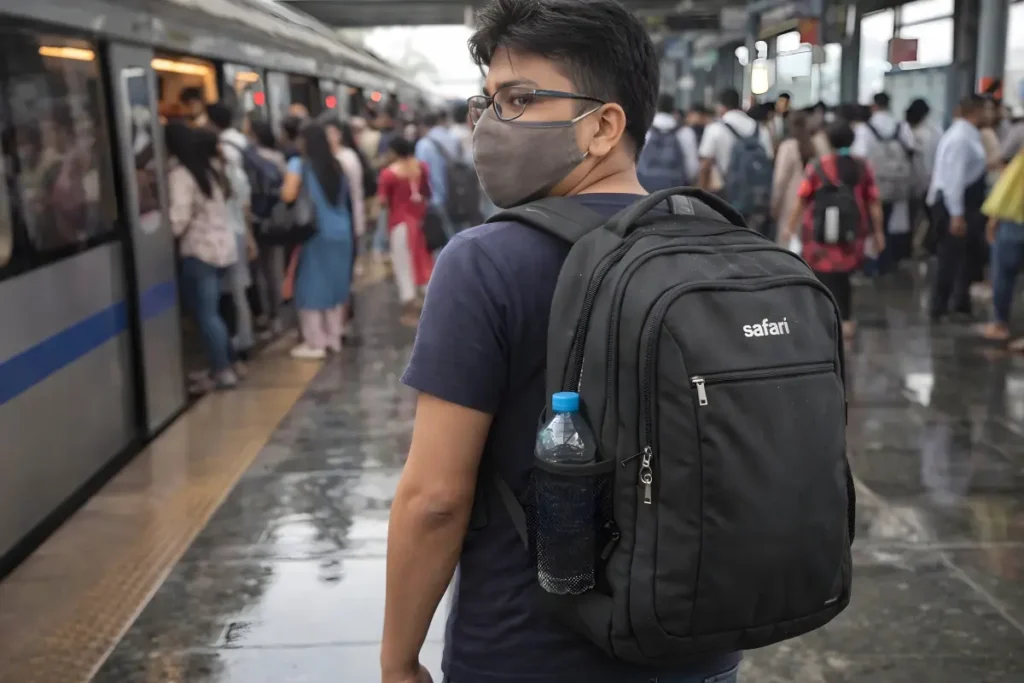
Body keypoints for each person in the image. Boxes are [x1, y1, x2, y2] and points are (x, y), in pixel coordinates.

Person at [381, 1, 741, 682]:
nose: (490, 125)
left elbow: (434, 497)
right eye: (486, 102)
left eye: (520, 98)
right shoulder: (718, 248)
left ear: (605, 125)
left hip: (528, 652)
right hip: (700, 647)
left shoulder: (484, 262)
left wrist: (398, 658)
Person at [781, 121, 885, 339]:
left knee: (821, 275)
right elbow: (873, 201)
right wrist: (878, 232)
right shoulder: (861, 166)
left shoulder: (818, 166)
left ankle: (822, 318)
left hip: (818, 233)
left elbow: (802, 199)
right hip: (851, 231)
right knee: (843, 276)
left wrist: (789, 228)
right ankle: (845, 320)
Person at [164, 121, 238, 392]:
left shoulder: (182, 175)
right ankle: (228, 362)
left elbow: (179, 218)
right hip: (222, 249)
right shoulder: (211, 171)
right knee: (214, 312)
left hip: (200, 251)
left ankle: (222, 370)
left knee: (206, 314)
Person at [280, 123, 354, 359]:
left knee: (310, 286)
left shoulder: (299, 164)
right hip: (342, 231)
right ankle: (334, 337)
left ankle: (315, 342)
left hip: (315, 232)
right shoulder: (337, 165)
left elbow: (288, 194)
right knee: (335, 285)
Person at [927, 95, 989, 321]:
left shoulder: (967, 135)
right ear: (977, 111)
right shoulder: (962, 138)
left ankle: (959, 301)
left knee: (968, 256)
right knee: (950, 257)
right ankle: (939, 306)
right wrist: (956, 214)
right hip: (954, 205)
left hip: (963, 205)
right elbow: (954, 179)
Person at [207, 103, 256, 364]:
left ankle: (230, 346)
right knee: (238, 293)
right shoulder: (236, 171)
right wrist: (250, 238)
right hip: (237, 234)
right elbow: (245, 207)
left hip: (218, 240)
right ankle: (244, 339)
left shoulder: (208, 177)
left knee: (223, 298)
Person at [852, 92, 917, 272]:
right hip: (897, 183)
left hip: (873, 183)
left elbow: (859, 156)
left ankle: (872, 264)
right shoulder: (901, 126)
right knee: (891, 222)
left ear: (874, 106)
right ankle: (888, 261)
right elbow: (911, 149)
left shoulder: (865, 129)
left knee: (872, 223)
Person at [378, 136, 433, 327]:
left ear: (394, 151)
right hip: (420, 222)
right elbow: (427, 192)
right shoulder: (421, 167)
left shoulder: (389, 174)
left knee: (403, 266)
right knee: (422, 261)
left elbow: (383, 201)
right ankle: (428, 304)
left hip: (399, 224)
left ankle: (410, 311)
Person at [698, 87, 773, 228]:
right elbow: (769, 160)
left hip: (724, 197)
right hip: (757, 199)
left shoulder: (714, 129)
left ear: (721, 106)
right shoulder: (760, 129)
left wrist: (701, 196)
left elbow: (705, 166)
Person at [324, 117, 368, 344]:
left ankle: (342, 322)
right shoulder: (344, 157)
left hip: (350, 223)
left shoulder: (345, 158)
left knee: (346, 276)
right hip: (348, 223)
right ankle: (340, 322)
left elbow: (352, 196)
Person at [246, 118, 287, 335]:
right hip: (275, 221)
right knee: (274, 271)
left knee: (258, 271)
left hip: (254, 219)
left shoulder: (248, 157)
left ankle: (262, 314)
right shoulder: (279, 158)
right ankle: (277, 316)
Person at [771, 111, 817, 245]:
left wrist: (774, 205)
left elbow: (780, 181)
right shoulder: (816, 145)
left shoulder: (788, 146)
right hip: (811, 202)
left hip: (789, 204)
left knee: (788, 245)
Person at [414, 111, 462, 233]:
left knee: (442, 234)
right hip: (457, 192)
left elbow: (421, 173)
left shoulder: (423, 144)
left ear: (423, 125)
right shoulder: (453, 138)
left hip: (435, 196)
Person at [904, 98, 942, 249]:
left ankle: (915, 246)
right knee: (930, 216)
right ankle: (930, 245)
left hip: (918, 180)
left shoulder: (913, 134)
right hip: (934, 179)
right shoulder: (937, 130)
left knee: (914, 216)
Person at [639, 93, 698, 189]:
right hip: (675, 190)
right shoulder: (685, 132)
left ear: (655, 107)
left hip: (645, 189)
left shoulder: (645, 130)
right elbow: (692, 168)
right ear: (673, 109)